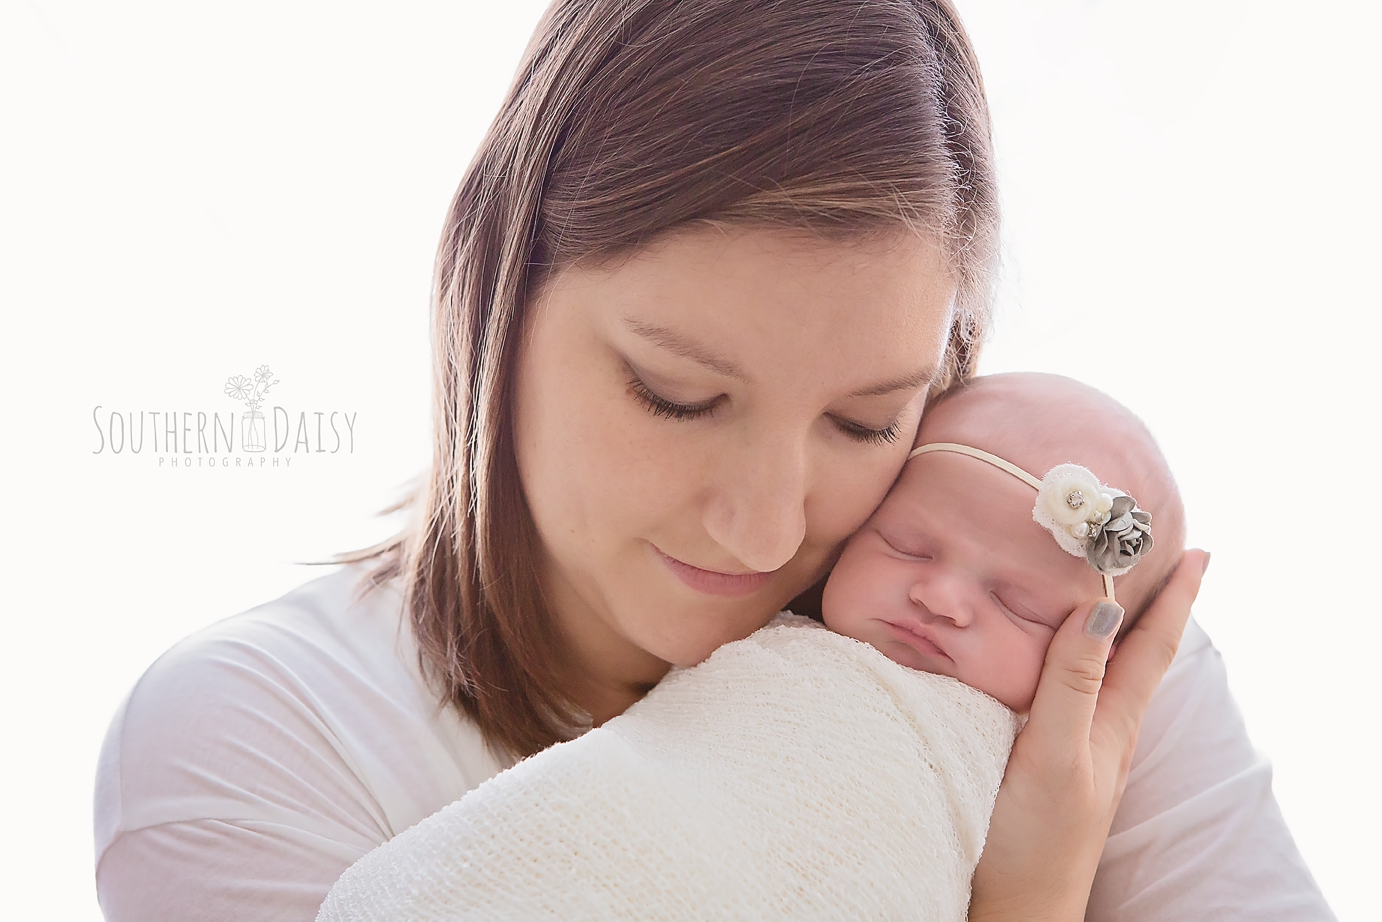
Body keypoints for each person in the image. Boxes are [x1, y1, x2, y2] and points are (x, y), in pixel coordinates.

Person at [92, 1, 1333, 920]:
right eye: (674, 395)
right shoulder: (255, 736)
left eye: (863, 422)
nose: (762, 530)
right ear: (493, 295)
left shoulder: (1040, 628)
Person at [312, 373, 1183, 922]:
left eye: (1019, 605)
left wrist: (1034, 896)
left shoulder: (1069, 765)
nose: (942, 596)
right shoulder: (764, 628)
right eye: (907, 546)